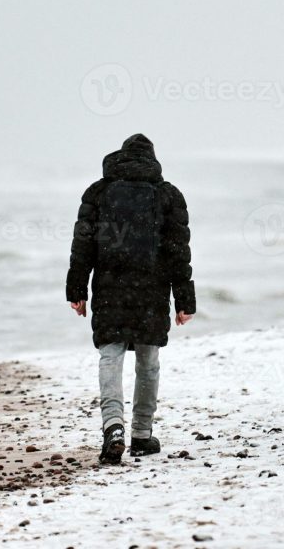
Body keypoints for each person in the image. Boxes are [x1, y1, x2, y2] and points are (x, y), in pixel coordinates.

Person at [66, 134, 196, 465]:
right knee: (148, 361)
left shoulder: (98, 191)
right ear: (152, 160)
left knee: (111, 356)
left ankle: (113, 428)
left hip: (110, 285)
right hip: (151, 287)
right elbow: (178, 251)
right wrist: (184, 300)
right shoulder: (168, 194)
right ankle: (141, 434)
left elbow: (83, 246)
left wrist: (77, 290)